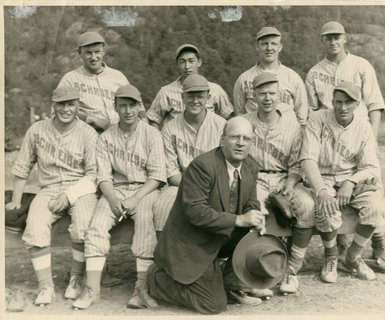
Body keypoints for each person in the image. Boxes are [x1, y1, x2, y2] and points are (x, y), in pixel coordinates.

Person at [144, 117, 268, 314]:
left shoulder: (250, 166)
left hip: (218, 236)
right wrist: (239, 220)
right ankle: (157, 282)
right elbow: (195, 211)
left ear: (252, 142)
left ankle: (229, 284)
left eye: (247, 138)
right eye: (235, 137)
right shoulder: (202, 166)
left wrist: (256, 218)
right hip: (192, 244)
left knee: (256, 235)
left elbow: (250, 202)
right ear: (222, 139)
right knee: (214, 305)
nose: (241, 143)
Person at [305, 21, 385, 273]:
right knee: (328, 196)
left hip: (359, 133)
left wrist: (372, 139)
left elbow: (375, 104)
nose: (333, 41)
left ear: (345, 39)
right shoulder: (314, 73)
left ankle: (377, 248)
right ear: (322, 41)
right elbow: (313, 112)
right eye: (327, 38)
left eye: (337, 37)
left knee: (373, 190)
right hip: (327, 135)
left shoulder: (361, 65)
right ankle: (338, 253)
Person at [72, 84, 166, 310]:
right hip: (115, 190)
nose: (127, 111)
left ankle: (140, 289)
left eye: (132, 105)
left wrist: (135, 198)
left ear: (139, 106)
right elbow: (102, 176)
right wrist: (112, 199)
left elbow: (157, 176)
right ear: (115, 108)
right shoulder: (105, 137)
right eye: (122, 106)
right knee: (96, 226)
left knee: (144, 224)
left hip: (145, 190)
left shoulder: (152, 134)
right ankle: (92, 290)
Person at [6, 87, 98, 306]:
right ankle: (46, 285)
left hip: (80, 188)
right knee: (35, 225)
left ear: (78, 106)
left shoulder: (88, 133)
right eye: (61, 104)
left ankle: (75, 278)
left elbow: (94, 175)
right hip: (48, 189)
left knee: (83, 223)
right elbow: (22, 167)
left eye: (71, 104)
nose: (66, 109)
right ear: (52, 105)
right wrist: (17, 200)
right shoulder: (37, 130)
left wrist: (69, 195)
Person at [300, 82, 385, 283]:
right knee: (327, 208)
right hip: (324, 177)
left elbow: (371, 166)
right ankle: (330, 257)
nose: (343, 107)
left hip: (352, 178)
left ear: (357, 104)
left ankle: (353, 257)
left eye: (348, 102)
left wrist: (351, 182)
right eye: (339, 102)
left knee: (376, 207)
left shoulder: (364, 126)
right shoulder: (318, 119)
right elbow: (307, 159)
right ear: (332, 102)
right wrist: (320, 190)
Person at [242, 72, 315, 294]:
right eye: (262, 93)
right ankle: (256, 268)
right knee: (255, 209)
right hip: (255, 177)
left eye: (272, 93)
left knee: (307, 205)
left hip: (286, 176)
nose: (267, 98)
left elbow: (297, 163)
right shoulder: (244, 122)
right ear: (253, 95)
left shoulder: (292, 125)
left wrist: (291, 184)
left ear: (279, 95)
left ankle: (292, 269)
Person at [151, 74, 226, 233]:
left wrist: (207, 187)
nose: (195, 101)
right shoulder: (170, 129)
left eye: (200, 96)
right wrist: (192, 186)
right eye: (191, 96)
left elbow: (226, 167)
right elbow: (171, 174)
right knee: (162, 207)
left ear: (208, 97)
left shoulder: (222, 126)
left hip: (214, 186)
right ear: (182, 97)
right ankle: (165, 255)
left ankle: (219, 255)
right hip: (180, 185)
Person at [58, 31, 146, 133]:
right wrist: (89, 119)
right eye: (88, 53)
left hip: (120, 136)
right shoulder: (70, 79)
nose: (93, 57)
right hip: (87, 135)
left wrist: (143, 120)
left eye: (97, 52)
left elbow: (138, 104)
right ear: (79, 53)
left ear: (103, 51)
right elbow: (58, 111)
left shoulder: (118, 76)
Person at [146, 44, 234, 129]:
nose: (187, 67)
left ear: (199, 62)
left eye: (191, 61)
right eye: (182, 62)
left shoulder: (215, 90)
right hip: (176, 140)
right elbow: (153, 120)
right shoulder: (166, 92)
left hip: (208, 140)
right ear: (177, 64)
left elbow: (229, 117)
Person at [233, 27, 308, 126]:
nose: (269, 48)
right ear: (257, 46)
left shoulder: (292, 77)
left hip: (286, 134)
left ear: (280, 47)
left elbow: (302, 115)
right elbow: (239, 114)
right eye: (264, 44)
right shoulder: (244, 79)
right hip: (254, 134)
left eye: (273, 44)